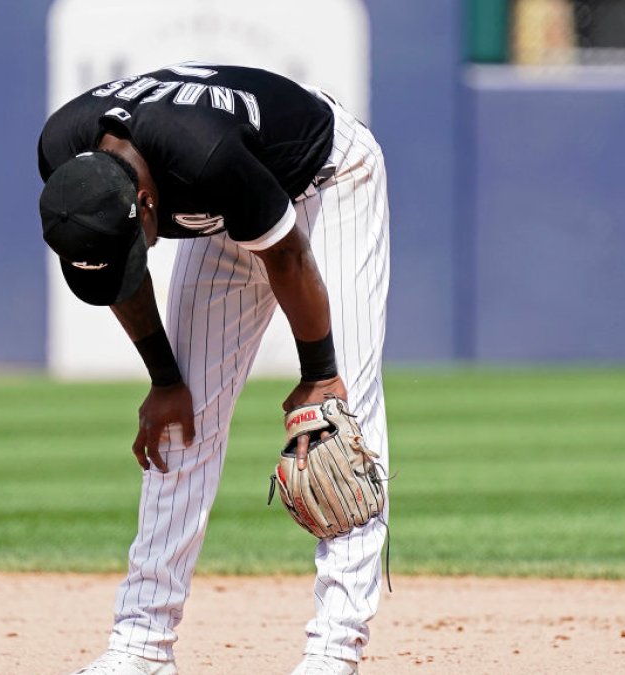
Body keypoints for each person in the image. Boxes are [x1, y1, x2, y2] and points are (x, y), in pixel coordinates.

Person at [37, 63, 391, 675]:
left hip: (325, 179)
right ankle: (140, 645)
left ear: (146, 203)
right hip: (225, 204)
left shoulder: (206, 155)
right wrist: (164, 380)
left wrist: (319, 372)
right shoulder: (67, 158)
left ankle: (335, 649)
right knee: (181, 424)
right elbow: (120, 267)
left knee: (340, 418)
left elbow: (286, 254)